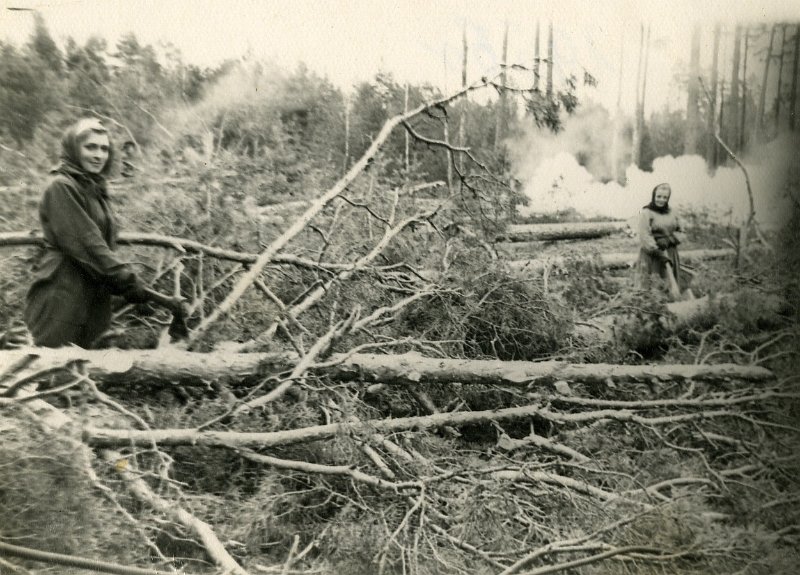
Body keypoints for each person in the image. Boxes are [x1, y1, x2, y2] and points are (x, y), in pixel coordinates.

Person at [24, 118, 152, 348]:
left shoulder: (94, 189)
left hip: (94, 295)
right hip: (62, 293)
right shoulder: (61, 186)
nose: (98, 155)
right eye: (90, 147)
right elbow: (87, 243)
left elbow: (103, 242)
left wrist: (122, 282)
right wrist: (126, 280)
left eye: (104, 148)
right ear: (74, 149)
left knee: (88, 374)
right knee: (48, 373)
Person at [636, 182, 686, 298]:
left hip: (670, 252)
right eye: (659, 196)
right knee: (653, 287)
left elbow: (682, 231)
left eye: (665, 197)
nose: (661, 200)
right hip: (653, 255)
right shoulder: (646, 213)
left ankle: (673, 304)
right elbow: (644, 235)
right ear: (654, 196)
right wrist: (657, 251)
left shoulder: (673, 212)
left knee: (670, 285)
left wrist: (671, 239)